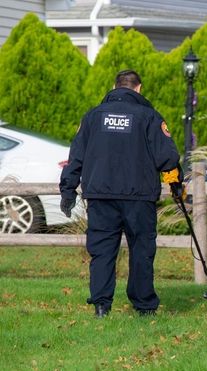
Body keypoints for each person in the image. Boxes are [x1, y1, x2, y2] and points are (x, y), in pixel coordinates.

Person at [59, 70, 182, 318]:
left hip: (101, 197)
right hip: (139, 197)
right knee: (141, 250)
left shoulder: (93, 117)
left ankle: (102, 305)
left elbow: (76, 157)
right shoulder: (149, 116)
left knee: (102, 251)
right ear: (138, 88)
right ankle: (144, 306)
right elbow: (167, 158)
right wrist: (176, 185)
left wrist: (68, 190)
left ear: (114, 87)